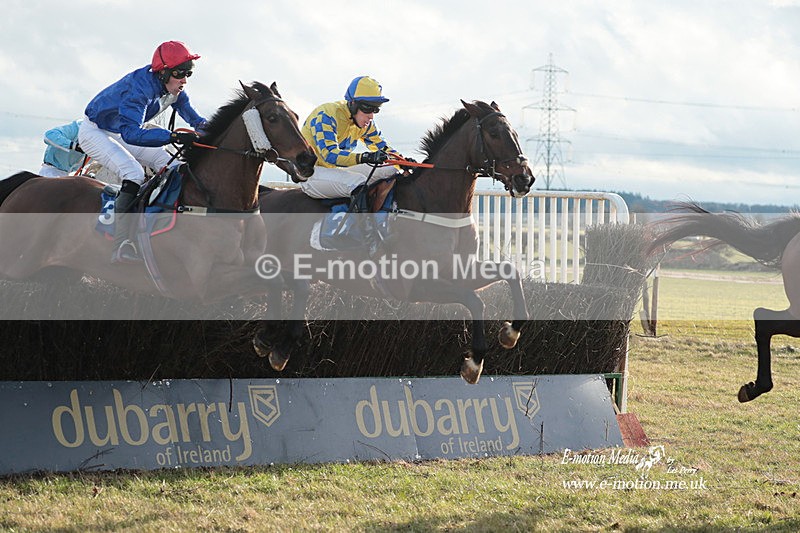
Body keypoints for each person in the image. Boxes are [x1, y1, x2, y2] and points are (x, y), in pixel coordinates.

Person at [78, 40, 207, 263]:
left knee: (175, 167)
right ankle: (121, 244)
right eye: (180, 73)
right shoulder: (139, 89)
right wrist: (173, 136)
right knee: (134, 173)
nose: (184, 79)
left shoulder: (174, 89)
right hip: (95, 132)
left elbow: (197, 121)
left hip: (119, 130)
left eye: (189, 73)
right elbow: (132, 134)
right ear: (164, 72)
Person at [300, 76, 405, 202]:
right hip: (311, 174)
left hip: (337, 170)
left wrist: (403, 162)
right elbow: (330, 155)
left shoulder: (366, 124)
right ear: (353, 104)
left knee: (391, 170)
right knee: (357, 182)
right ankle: (360, 221)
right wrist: (365, 157)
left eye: (376, 109)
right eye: (368, 108)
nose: (371, 116)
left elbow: (383, 148)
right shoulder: (327, 114)